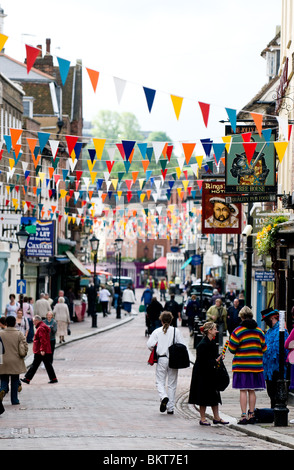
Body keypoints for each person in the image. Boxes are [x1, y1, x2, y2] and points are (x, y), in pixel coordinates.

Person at [228, 306, 267, 424]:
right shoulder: (259, 331)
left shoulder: (238, 331)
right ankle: (252, 414)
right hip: (256, 365)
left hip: (241, 365)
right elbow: (264, 349)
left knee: (243, 390)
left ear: (242, 317)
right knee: (252, 390)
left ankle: (243, 415)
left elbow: (231, 348)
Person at [188, 321, 228, 426]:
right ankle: (202, 418)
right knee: (203, 396)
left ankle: (217, 417)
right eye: (215, 329)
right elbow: (202, 362)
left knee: (215, 395)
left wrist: (219, 357)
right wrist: (215, 360)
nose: (216, 331)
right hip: (202, 374)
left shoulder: (212, 343)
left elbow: (214, 357)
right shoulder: (202, 345)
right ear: (209, 331)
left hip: (211, 372)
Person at [147, 311, 186, 414]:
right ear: (171, 320)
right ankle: (170, 408)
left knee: (160, 381)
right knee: (172, 384)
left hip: (162, 358)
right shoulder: (175, 331)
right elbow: (182, 345)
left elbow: (150, 344)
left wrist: (156, 349)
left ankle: (164, 396)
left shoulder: (157, 331)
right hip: (173, 359)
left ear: (161, 320)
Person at [262, 307, 289, 409]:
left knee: (277, 394)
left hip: (278, 368)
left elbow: (283, 349)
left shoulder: (282, 331)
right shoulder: (268, 332)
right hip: (269, 369)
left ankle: (277, 412)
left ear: (272, 317)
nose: (265, 322)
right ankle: (273, 412)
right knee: (271, 393)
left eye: (266, 319)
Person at [21, 315, 58, 385]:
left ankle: (27, 378)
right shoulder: (42, 327)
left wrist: (42, 349)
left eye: (34, 321)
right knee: (47, 364)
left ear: (37, 321)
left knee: (35, 364)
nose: (33, 323)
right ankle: (53, 378)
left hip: (40, 350)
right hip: (43, 350)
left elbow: (43, 340)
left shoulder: (40, 328)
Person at [0, 315, 28, 405]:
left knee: (4, 379)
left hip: (3, 360)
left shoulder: (1, 333)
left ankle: (2, 390)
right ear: (15, 323)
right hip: (16, 360)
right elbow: (25, 346)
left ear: (6, 323)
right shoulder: (19, 333)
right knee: (15, 380)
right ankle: (14, 400)